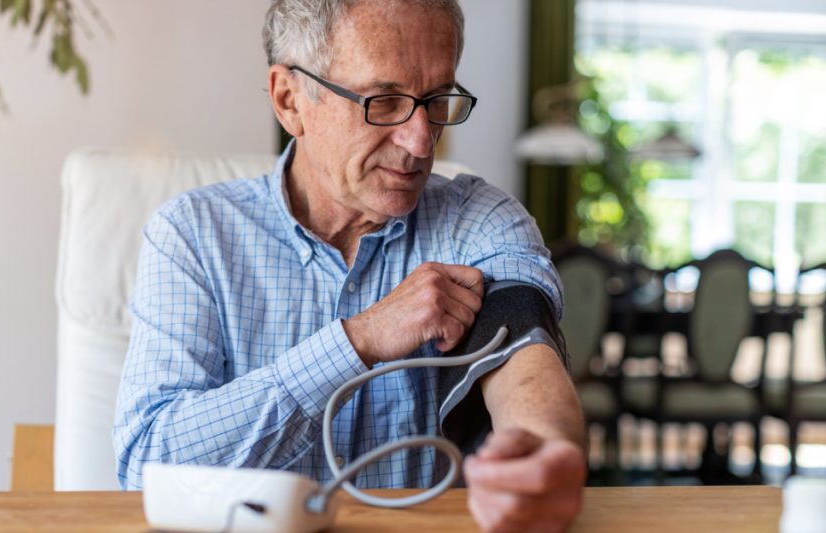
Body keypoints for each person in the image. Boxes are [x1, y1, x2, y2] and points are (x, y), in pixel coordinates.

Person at [113, 0, 587, 530]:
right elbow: (145, 468)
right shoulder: (194, 236)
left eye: (436, 100)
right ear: (290, 100)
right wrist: (357, 340)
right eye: (383, 101)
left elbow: (525, 354)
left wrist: (547, 456)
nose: (421, 140)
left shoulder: (478, 219)